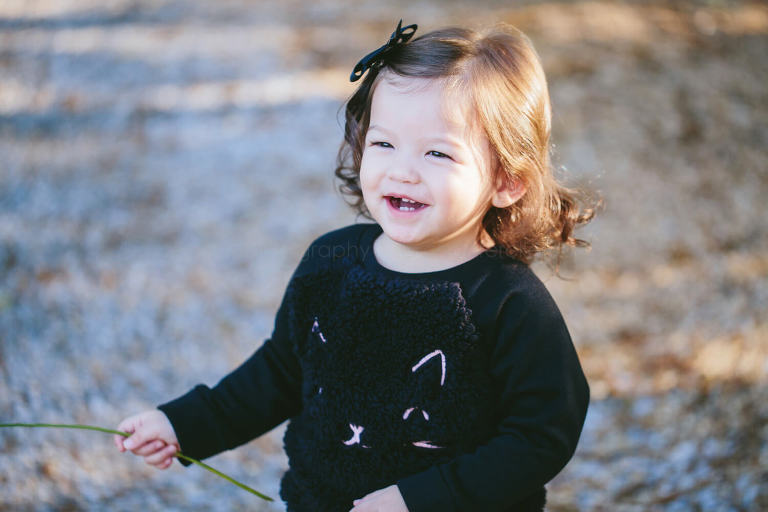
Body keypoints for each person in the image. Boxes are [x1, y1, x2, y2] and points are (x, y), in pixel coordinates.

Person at [114, 20, 598, 512]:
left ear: (506, 181)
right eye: (384, 144)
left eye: (437, 153)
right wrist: (185, 424)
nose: (402, 170)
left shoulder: (508, 302)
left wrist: (420, 499)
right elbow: (280, 372)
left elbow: (541, 435)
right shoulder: (332, 263)